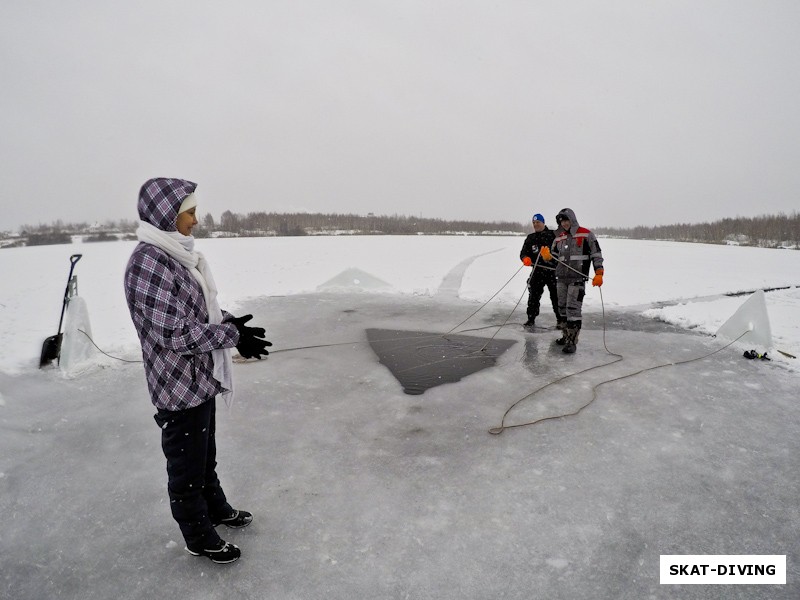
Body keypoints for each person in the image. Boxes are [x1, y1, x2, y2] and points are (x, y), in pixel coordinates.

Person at [124, 177, 271, 564]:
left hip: (200, 379)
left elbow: (196, 313)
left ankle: (216, 508)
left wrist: (231, 325)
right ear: (166, 215)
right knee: (186, 468)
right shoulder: (148, 263)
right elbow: (173, 332)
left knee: (204, 458)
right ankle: (198, 536)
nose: (196, 219)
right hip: (176, 385)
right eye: (189, 212)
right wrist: (229, 334)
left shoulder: (178, 256)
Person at [540, 207, 604, 354]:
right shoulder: (559, 238)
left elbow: (596, 254)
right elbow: (554, 259)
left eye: (566, 220)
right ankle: (565, 336)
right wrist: (547, 257)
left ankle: (572, 341)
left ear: (572, 219)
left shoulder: (586, 234)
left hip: (577, 279)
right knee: (561, 308)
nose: (565, 223)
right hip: (561, 279)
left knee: (573, 310)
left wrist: (599, 272)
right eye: (562, 221)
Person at [519, 213, 561, 330]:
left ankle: (561, 320)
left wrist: (550, 257)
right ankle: (531, 319)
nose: (535, 225)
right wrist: (525, 258)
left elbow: (561, 252)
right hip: (537, 271)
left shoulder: (553, 235)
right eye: (534, 223)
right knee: (533, 296)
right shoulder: (530, 238)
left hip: (552, 272)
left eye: (538, 222)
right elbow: (523, 253)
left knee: (556, 296)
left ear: (543, 223)